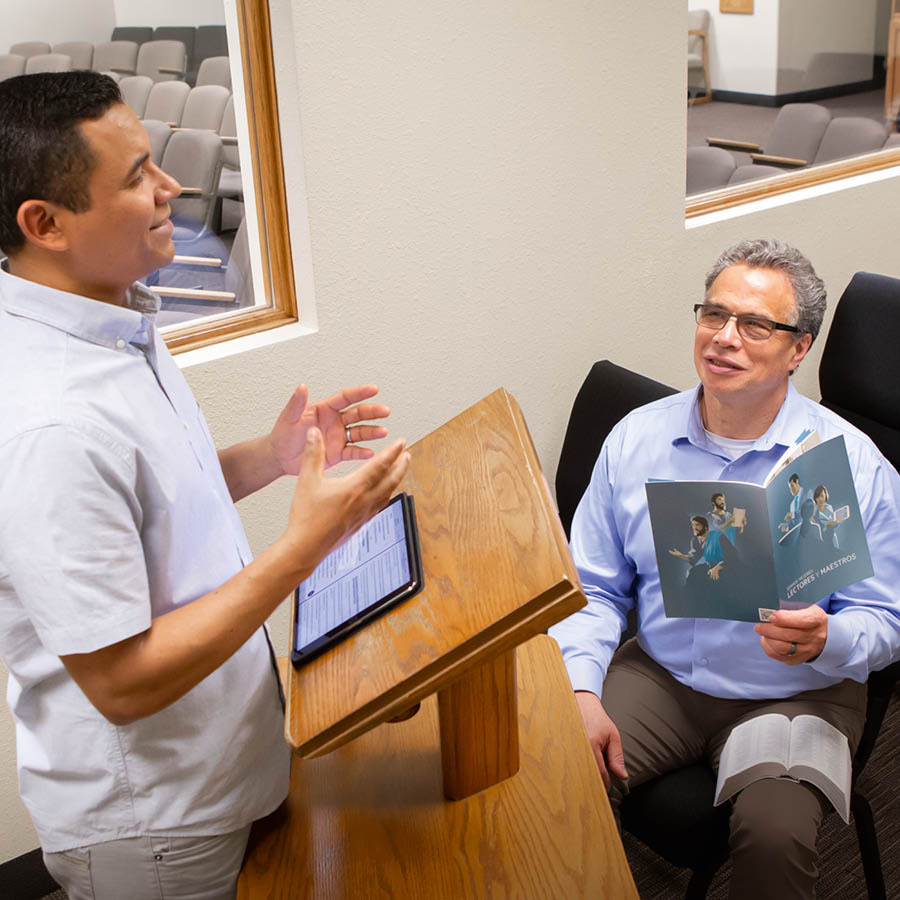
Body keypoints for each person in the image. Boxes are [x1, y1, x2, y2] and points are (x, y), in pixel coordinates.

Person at [0, 72, 410, 900]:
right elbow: (122, 682)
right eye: (136, 177)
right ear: (45, 225)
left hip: (222, 758)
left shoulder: (113, 317)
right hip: (159, 821)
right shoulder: (47, 422)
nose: (172, 188)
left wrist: (271, 455)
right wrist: (302, 547)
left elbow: (152, 503)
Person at [550, 239, 900, 900]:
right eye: (714, 314)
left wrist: (829, 638)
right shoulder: (637, 438)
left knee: (775, 836)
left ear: (799, 349)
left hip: (798, 690)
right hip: (662, 672)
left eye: (755, 325)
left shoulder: (852, 465)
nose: (724, 337)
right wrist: (579, 691)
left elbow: (886, 618)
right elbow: (592, 586)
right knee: (552, 771)